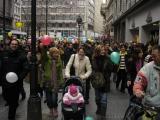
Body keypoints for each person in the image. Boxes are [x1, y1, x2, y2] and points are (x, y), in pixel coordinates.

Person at [0, 40, 29, 120]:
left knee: (13, 102)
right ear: (10, 45)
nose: (14, 45)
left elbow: (26, 68)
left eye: (16, 44)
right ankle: (13, 103)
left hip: (16, 83)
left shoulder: (21, 55)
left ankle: (11, 117)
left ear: (18, 45)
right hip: (5, 82)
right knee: (5, 97)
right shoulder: (4, 54)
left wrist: (20, 77)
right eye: (12, 44)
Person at [133, 45, 160, 119]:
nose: (152, 58)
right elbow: (138, 82)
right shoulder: (147, 68)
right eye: (152, 56)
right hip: (150, 109)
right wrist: (138, 90)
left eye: (155, 56)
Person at [92, 45, 113, 120]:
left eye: (104, 50)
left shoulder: (108, 58)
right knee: (97, 98)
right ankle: (98, 107)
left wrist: (110, 63)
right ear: (98, 51)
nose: (103, 51)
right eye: (101, 50)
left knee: (104, 100)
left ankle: (103, 115)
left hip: (105, 82)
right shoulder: (94, 59)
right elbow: (94, 69)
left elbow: (111, 69)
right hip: (97, 81)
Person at [43, 47, 63, 118]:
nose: (56, 54)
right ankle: (50, 110)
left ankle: (55, 109)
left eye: (57, 53)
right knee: (49, 99)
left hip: (55, 83)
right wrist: (44, 47)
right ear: (51, 53)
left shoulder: (59, 61)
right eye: (54, 53)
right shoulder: (47, 60)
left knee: (54, 99)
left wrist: (61, 81)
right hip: (47, 82)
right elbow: (44, 55)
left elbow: (60, 72)